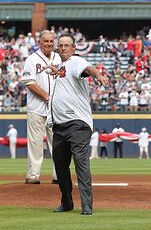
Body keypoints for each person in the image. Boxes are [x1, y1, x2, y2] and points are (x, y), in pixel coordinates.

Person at [49, 33, 109, 215]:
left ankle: (86, 205)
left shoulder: (75, 61)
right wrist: (56, 70)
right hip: (60, 125)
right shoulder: (62, 66)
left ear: (74, 48)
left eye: (67, 45)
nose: (63, 48)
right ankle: (67, 202)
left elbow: (88, 68)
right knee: (59, 165)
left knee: (80, 163)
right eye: (61, 45)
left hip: (77, 124)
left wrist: (98, 74)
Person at [21, 30, 61, 184]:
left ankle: (58, 174)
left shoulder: (59, 57)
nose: (49, 44)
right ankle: (33, 174)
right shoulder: (31, 59)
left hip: (56, 110)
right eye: (46, 41)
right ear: (40, 42)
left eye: (51, 41)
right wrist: (47, 97)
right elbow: (29, 83)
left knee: (58, 143)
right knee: (35, 143)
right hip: (37, 108)